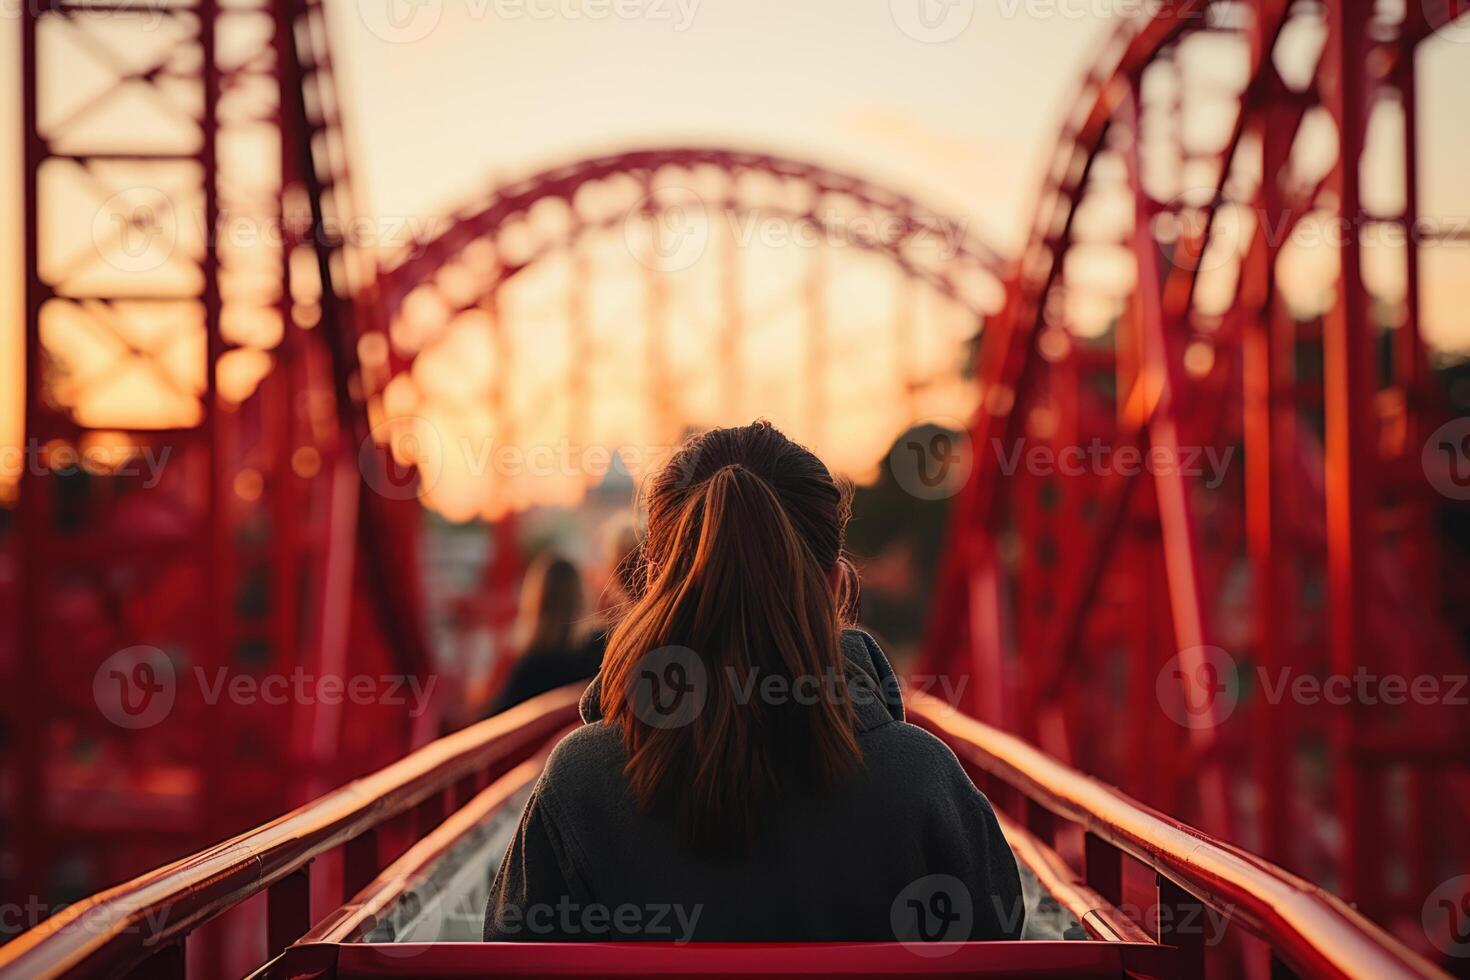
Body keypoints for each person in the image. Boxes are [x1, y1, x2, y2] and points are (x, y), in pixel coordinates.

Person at [484, 421, 1023, 943]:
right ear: (835, 588)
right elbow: (1001, 936)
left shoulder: (579, 784)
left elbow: (508, 953)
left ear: (652, 583)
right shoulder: (920, 781)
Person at [485, 553, 601, 715]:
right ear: (581, 596)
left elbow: (494, 723)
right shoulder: (601, 651)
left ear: (535, 602)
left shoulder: (531, 668)